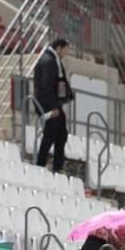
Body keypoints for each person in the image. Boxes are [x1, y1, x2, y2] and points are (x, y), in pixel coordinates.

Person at [33, 38, 71, 172]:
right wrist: (54, 106)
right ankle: (40, 164)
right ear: (59, 48)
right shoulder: (49, 61)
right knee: (50, 134)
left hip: (52, 103)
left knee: (61, 133)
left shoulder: (53, 60)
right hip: (47, 104)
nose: (66, 53)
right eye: (66, 49)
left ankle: (57, 165)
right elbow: (45, 86)